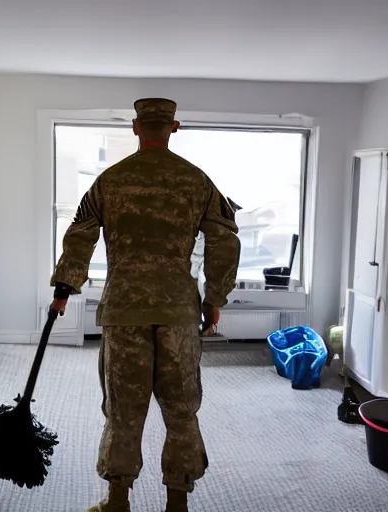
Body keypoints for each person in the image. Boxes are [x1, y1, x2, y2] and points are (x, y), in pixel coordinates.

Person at [49, 98, 240, 512]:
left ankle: (117, 500)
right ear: (173, 127)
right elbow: (225, 239)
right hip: (178, 313)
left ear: (136, 128)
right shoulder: (197, 181)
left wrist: (65, 286)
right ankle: (176, 503)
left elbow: (80, 234)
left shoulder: (110, 180)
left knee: (123, 409)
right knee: (181, 408)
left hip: (124, 311)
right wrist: (214, 298)